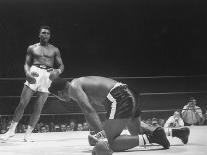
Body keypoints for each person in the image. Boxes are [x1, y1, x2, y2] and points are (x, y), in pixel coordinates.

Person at [48, 76, 190, 154]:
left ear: (60, 94)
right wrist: (99, 133)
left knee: (111, 144)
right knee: (135, 132)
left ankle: (154, 136)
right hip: (129, 93)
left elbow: (88, 110)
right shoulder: (80, 83)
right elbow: (106, 112)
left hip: (120, 97)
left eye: (58, 97)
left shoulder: (73, 87)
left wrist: (102, 138)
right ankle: (177, 132)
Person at [0, 26, 64, 142]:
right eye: (43, 33)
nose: (46, 35)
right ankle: (11, 131)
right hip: (35, 72)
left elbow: (61, 65)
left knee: (38, 107)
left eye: (48, 33)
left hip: (47, 76)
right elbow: (26, 63)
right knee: (22, 103)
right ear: (39, 34)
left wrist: (58, 72)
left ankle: (28, 134)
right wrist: (27, 74)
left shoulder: (55, 49)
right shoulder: (32, 48)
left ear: (50, 36)